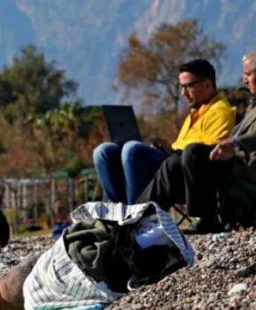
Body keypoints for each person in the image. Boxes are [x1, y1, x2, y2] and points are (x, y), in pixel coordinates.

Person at [139, 50, 256, 232]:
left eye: (248, 74)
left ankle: (204, 220)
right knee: (174, 163)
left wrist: (235, 145)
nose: (244, 80)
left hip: (255, 167)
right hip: (237, 162)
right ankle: (139, 217)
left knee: (193, 152)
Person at [94, 59, 235, 203]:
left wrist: (173, 152)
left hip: (186, 173)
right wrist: (168, 147)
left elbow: (209, 154)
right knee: (104, 151)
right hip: (171, 162)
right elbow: (182, 145)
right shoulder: (195, 112)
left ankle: (136, 214)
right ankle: (116, 213)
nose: (183, 93)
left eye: (189, 86)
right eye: (182, 87)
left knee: (133, 150)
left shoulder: (220, 112)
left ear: (207, 84)